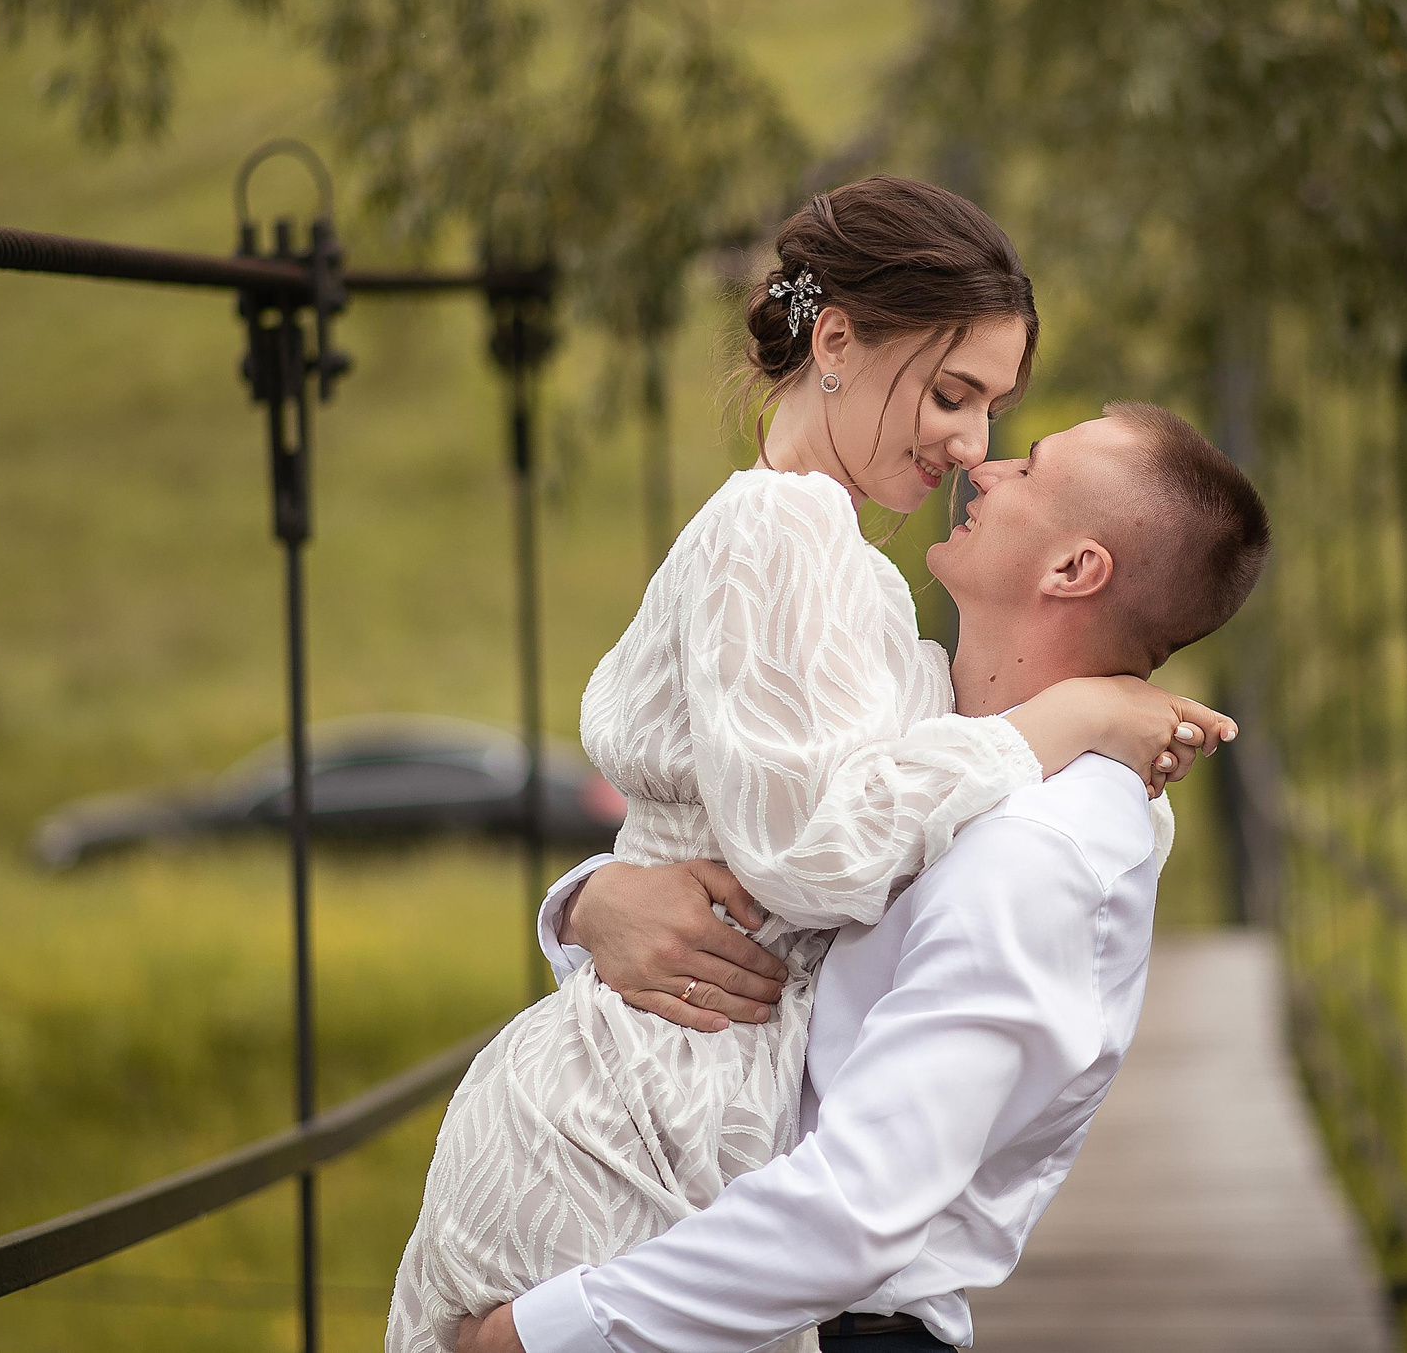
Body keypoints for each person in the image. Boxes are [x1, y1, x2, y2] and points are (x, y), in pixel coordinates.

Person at [388, 180, 1235, 1353]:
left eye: (995, 412)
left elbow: (789, 822)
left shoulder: (868, 587)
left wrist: (585, 899)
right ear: (834, 341)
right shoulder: (778, 531)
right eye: (953, 395)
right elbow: (810, 855)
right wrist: (1076, 717)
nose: (971, 451)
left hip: (690, 1123)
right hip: (624, 1124)